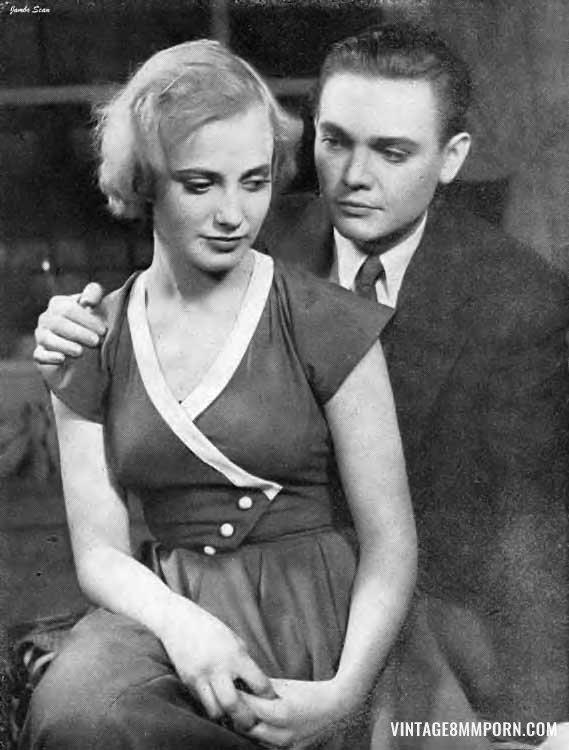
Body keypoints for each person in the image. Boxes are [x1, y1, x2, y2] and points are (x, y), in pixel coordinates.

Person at [35, 22, 569, 744]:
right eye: (335, 141)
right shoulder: (244, 225)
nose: (353, 176)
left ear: (451, 159)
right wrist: (70, 329)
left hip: (400, 609)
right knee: (86, 714)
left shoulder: (519, 300)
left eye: (391, 151)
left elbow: (527, 536)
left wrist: (544, 720)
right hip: (197, 595)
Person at [22, 39, 418, 750]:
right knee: (78, 714)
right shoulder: (88, 336)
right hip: (168, 612)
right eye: (200, 184)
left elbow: (391, 544)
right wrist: (182, 626)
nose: (234, 213)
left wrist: (342, 697)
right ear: (146, 184)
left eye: (254, 181)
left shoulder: (327, 320)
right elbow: (100, 555)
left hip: (320, 614)